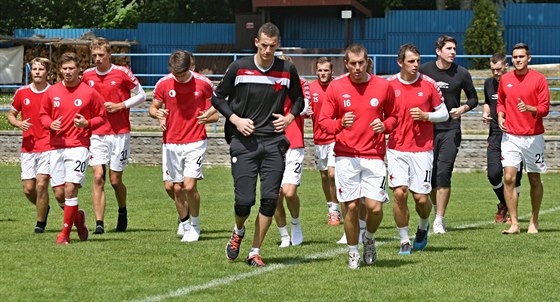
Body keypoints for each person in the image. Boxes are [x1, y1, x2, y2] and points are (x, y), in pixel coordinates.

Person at [211, 22, 304, 267]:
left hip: (274, 142)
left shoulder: (287, 70)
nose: (267, 51)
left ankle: (255, 251)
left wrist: (289, 118)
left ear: (277, 45)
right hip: (243, 143)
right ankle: (238, 231)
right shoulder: (239, 68)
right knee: (244, 202)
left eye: (272, 46)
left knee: (270, 200)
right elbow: (217, 97)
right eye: (264, 45)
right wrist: (235, 119)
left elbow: (299, 99)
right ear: (256, 42)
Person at [318, 43, 397, 269]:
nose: (357, 67)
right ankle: (353, 252)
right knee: (350, 207)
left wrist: (384, 125)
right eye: (352, 63)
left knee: (375, 207)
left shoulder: (383, 86)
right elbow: (323, 122)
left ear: (367, 62)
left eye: (361, 62)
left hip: (374, 155)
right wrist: (340, 123)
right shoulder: (336, 87)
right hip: (345, 155)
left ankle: (369, 239)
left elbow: (394, 116)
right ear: (346, 64)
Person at [149, 50, 218, 242]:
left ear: (192, 67)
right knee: (174, 188)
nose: (178, 77)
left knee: (188, 186)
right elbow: (153, 108)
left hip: (195, 140)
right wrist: (159, 115)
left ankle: (194, 226)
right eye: (175, 73)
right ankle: (185, 222)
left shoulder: (203, 84)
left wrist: (207, 117)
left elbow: (216, 112)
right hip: (171, 142)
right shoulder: (163, 83)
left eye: (182, 73)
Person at [386, 43, 449, 255]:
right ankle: (404, 240)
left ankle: (423, 226)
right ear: (400, 62)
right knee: (400, 194)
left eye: (418, 61)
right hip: (396, 148)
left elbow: (444, 113)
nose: (415, 65)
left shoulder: (429, 84)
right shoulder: (389, 85)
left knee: (421, 198)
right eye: (411, 61)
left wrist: (426, 116)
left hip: (422, 149)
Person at [40, 52, 107, 244]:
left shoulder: (89, 92)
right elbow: (43, 114)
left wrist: (87, 123)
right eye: (65, 68)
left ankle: (64, 234)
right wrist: (50, 123)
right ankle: (78, 220)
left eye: (72, 68)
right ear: (60, 70)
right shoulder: (51, 91)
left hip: (79, 146)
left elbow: (102, 116)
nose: (68, 72)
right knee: (59, 193)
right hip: (56, 147)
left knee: (70, 190)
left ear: (79, 70)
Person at [82, 37, 147, 234]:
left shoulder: (122, 73)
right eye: (94, 56)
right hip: (96, 133)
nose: (98, 59)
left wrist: (121, 105)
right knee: (98, 177)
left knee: (115, 180)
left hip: (119, 133)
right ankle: (99, 223)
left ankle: (122, 210)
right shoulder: (87, 75)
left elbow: (142, 95)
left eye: (101, 55)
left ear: (109, 54)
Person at [418, 35, 478, 234]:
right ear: (438, 51)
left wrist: (463, 109)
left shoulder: (462, 73)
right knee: (432, 176)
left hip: (451, 129)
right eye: (449, 48)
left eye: (454, 49)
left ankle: (439, 219)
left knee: (444, 173)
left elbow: (474, 98)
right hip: (428, 129)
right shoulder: (424, 71)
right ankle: (436, 211)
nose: (453, 52)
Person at [497, 43, 550, 235]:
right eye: (515, 57)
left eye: (521, 56)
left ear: (529, 58)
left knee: (534, 178)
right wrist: (501, 116)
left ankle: (534, 221)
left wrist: (530, 109)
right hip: (510, 136)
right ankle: (514, 223)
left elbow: (545, 108)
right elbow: (501, 102)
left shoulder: (539, 80)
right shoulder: (505, 79)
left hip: (533, 137)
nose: (518, 60)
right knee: (509, 177)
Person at [8, 57, 64, 233]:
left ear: (48, 72)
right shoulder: (22, 93)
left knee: (41, 185)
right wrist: (18, 123)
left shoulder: (54, 92)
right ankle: (43, 206)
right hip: (29, 147)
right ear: (30, 72)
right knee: (28, 189)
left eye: (41, 69)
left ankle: (40, 224)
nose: (37, 72)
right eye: (34, 69)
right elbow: (11, 115)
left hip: (49, 146)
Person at [273, 54, 309, 248]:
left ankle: (295, 224)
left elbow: (304, 107)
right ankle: (284, 234)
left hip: (294, 142)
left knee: (289, 191)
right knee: (275, 194)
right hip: (271, 143)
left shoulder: (301, 83)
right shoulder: (268, 82)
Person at [482, 53, 523, 223]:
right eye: (493, 70)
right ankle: (504, 202)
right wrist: (486, 111)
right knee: (493, 174)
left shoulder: (516, 82)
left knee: (515, 176)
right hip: (495, 134)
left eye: (499, 69)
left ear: (506, 66)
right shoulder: (489, 83)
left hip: (515, 133)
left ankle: (512, 214)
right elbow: (487, 101)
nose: (496, 73)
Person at [308, 57, 341, 226]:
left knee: (332, 173)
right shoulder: (311, 88)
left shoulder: (338, 87)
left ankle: (335, 210)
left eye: (326, 70)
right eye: (320, 70)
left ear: (332, 71)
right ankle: (331, 207)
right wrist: (305, 111)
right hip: (318, 138)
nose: (323, 73)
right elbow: (306, 111)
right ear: (316, 71)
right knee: (323, 175)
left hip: (335, 137)